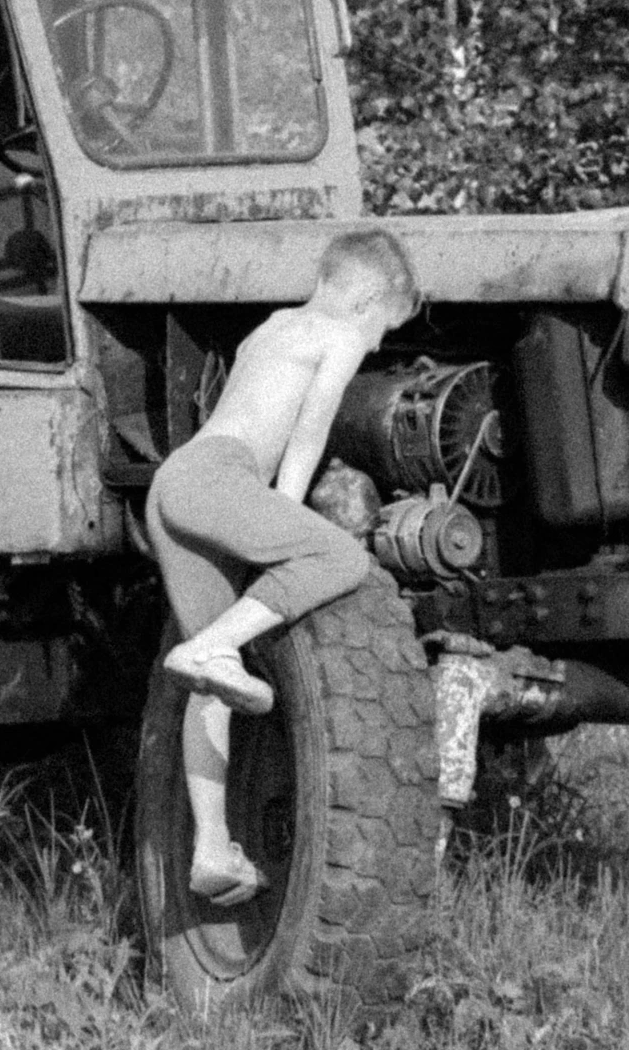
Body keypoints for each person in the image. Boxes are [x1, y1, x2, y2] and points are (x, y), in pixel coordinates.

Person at [145, 229, 422, 907]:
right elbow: (309, 430)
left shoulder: (270, 327)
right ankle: (211, 644)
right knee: (336, 554)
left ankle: (212, 847)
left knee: (212, 684)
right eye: (386, 325)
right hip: (220, 480)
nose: (380, 344)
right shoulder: (341, 336)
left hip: (173, 485)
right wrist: (285, 517)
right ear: (365, 300)